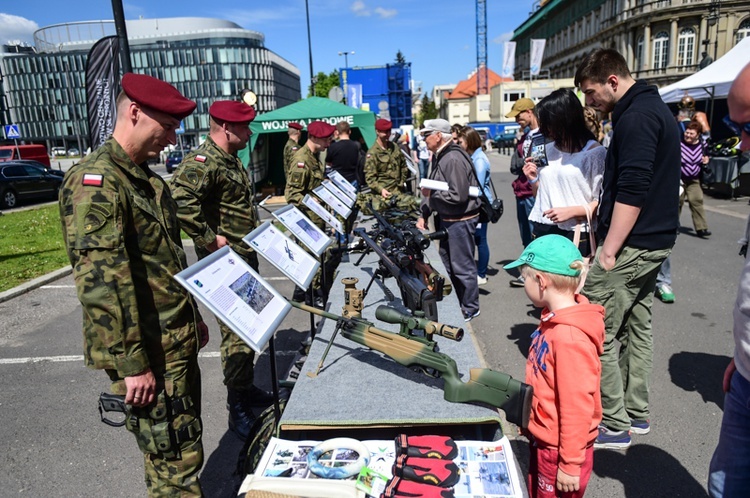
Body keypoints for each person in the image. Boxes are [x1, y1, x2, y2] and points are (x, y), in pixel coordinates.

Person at [59, 73, 209, 496]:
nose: (173, 138)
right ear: (135, 112)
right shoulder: (98, 182)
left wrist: (192, 315)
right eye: (168, 126)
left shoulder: (148, 180)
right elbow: (101, 283)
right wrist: (131, 365)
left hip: (173, 340)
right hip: (147, 351)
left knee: (181, 450)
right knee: (174, 462)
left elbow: (167, 263)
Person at [575, 48, 680, 449]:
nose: (589, 102)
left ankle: (614, 424)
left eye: (591, 92)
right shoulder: (653, 107)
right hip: (654, 240)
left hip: (633, 244)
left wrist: (607, 251)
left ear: (612, 81)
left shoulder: (635, 117)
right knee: (638, 328)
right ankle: (635, 414)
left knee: (595, 329)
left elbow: (633, 189)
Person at [171, 100, 274, 441]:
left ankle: (245, 390)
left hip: (244, 258)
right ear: (226, 128)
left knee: (249, 332)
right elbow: (180, 201)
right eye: (244, 127)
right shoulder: (204, 161)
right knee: (235, 336)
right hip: (224, 265)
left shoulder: (229, 158)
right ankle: (237, 408)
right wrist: (208, 238)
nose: (249, 132)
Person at [504, 235, 604, 498]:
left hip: (560, 450)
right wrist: (531, 421)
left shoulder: (569, 338)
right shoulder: (553, 319)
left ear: (540, 281)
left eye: (523, 277)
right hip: (547, 439)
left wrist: (570, 464)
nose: (522, 283)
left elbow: (576, 405)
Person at [708, 62, 750, 498]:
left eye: (749, 125)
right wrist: (741, 355)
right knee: (725, 484)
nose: (741, 142)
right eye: (732, 126)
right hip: (745, 379)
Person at [522, 89, 606, 258]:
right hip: (543, 227)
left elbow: (603, 202)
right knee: (543, 282)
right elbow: (541, 195)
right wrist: (533, 180)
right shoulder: (547, 149)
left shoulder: (594, 152)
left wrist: (571, 211)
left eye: (548, 122)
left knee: (573, 283)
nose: (544, 128)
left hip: (576, 231)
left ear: (564, 120)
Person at [416, 118, 482, 322]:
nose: (424, 139)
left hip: (460, 220)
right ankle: (459, 303)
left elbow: (458, 195)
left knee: (462, 267)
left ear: (438, 135)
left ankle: (470, 307)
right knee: (449, 265)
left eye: (427, 135)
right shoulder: (441, 155)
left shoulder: (451, 158)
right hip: (449, 219)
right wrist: (424, 212)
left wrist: (431, 195)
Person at [285, 120, 337, 305]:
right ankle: (311, 299)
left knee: (319, 261)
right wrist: (310, 200)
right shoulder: (301, 160)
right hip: (308, 222)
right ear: (314, 137)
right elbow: (291, 195)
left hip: (317, 219)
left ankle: (312, 294)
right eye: (325, 139)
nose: (328, 143)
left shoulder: (314, 156)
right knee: (311, 263)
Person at [506, 98, 539, 287]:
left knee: (536, 235)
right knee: (526, 236)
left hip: (532, 191)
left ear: (529, 111)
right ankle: (528, 272)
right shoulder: (526, 136)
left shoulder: (542, 135)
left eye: (519, 116)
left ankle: (535, 275)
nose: (517, 120)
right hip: (521, 191)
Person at [458, 126, 492, 286]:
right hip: (477, 204)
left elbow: (477, 187)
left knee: (481, 239)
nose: (459, 143)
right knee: (478, 238)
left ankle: (481, 274)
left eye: (462, 141)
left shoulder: (479, 160)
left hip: (481, 205)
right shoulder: (474, 157)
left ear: (469, 141)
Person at [363, 118, 415, 212]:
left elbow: (403, 165)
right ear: (377, 132)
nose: (387, 134)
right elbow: (370, 178)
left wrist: (401, 182)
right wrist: (381, 190)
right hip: (382, 197)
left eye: (389, 131)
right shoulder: (373, 153)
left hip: (398, 192)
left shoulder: (394, 147)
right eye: (384, 132)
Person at [680, 121, 711, 238]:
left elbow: (706, 157)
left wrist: (707, 160)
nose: (687, 135)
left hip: (694, 180)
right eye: (686, 132)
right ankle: (671, 225)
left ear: (697, 135)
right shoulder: (678, 145)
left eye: (691, 134)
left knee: (697, 201)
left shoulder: (703, 146)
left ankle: (701, 228)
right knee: (677, 202)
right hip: (680, 179)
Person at [326, 121, 362, 190]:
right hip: (353, 179)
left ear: (337, 132)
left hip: (337, 180)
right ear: (350, 131)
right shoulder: (356, 145)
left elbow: (328, 163)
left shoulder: (333, 147)